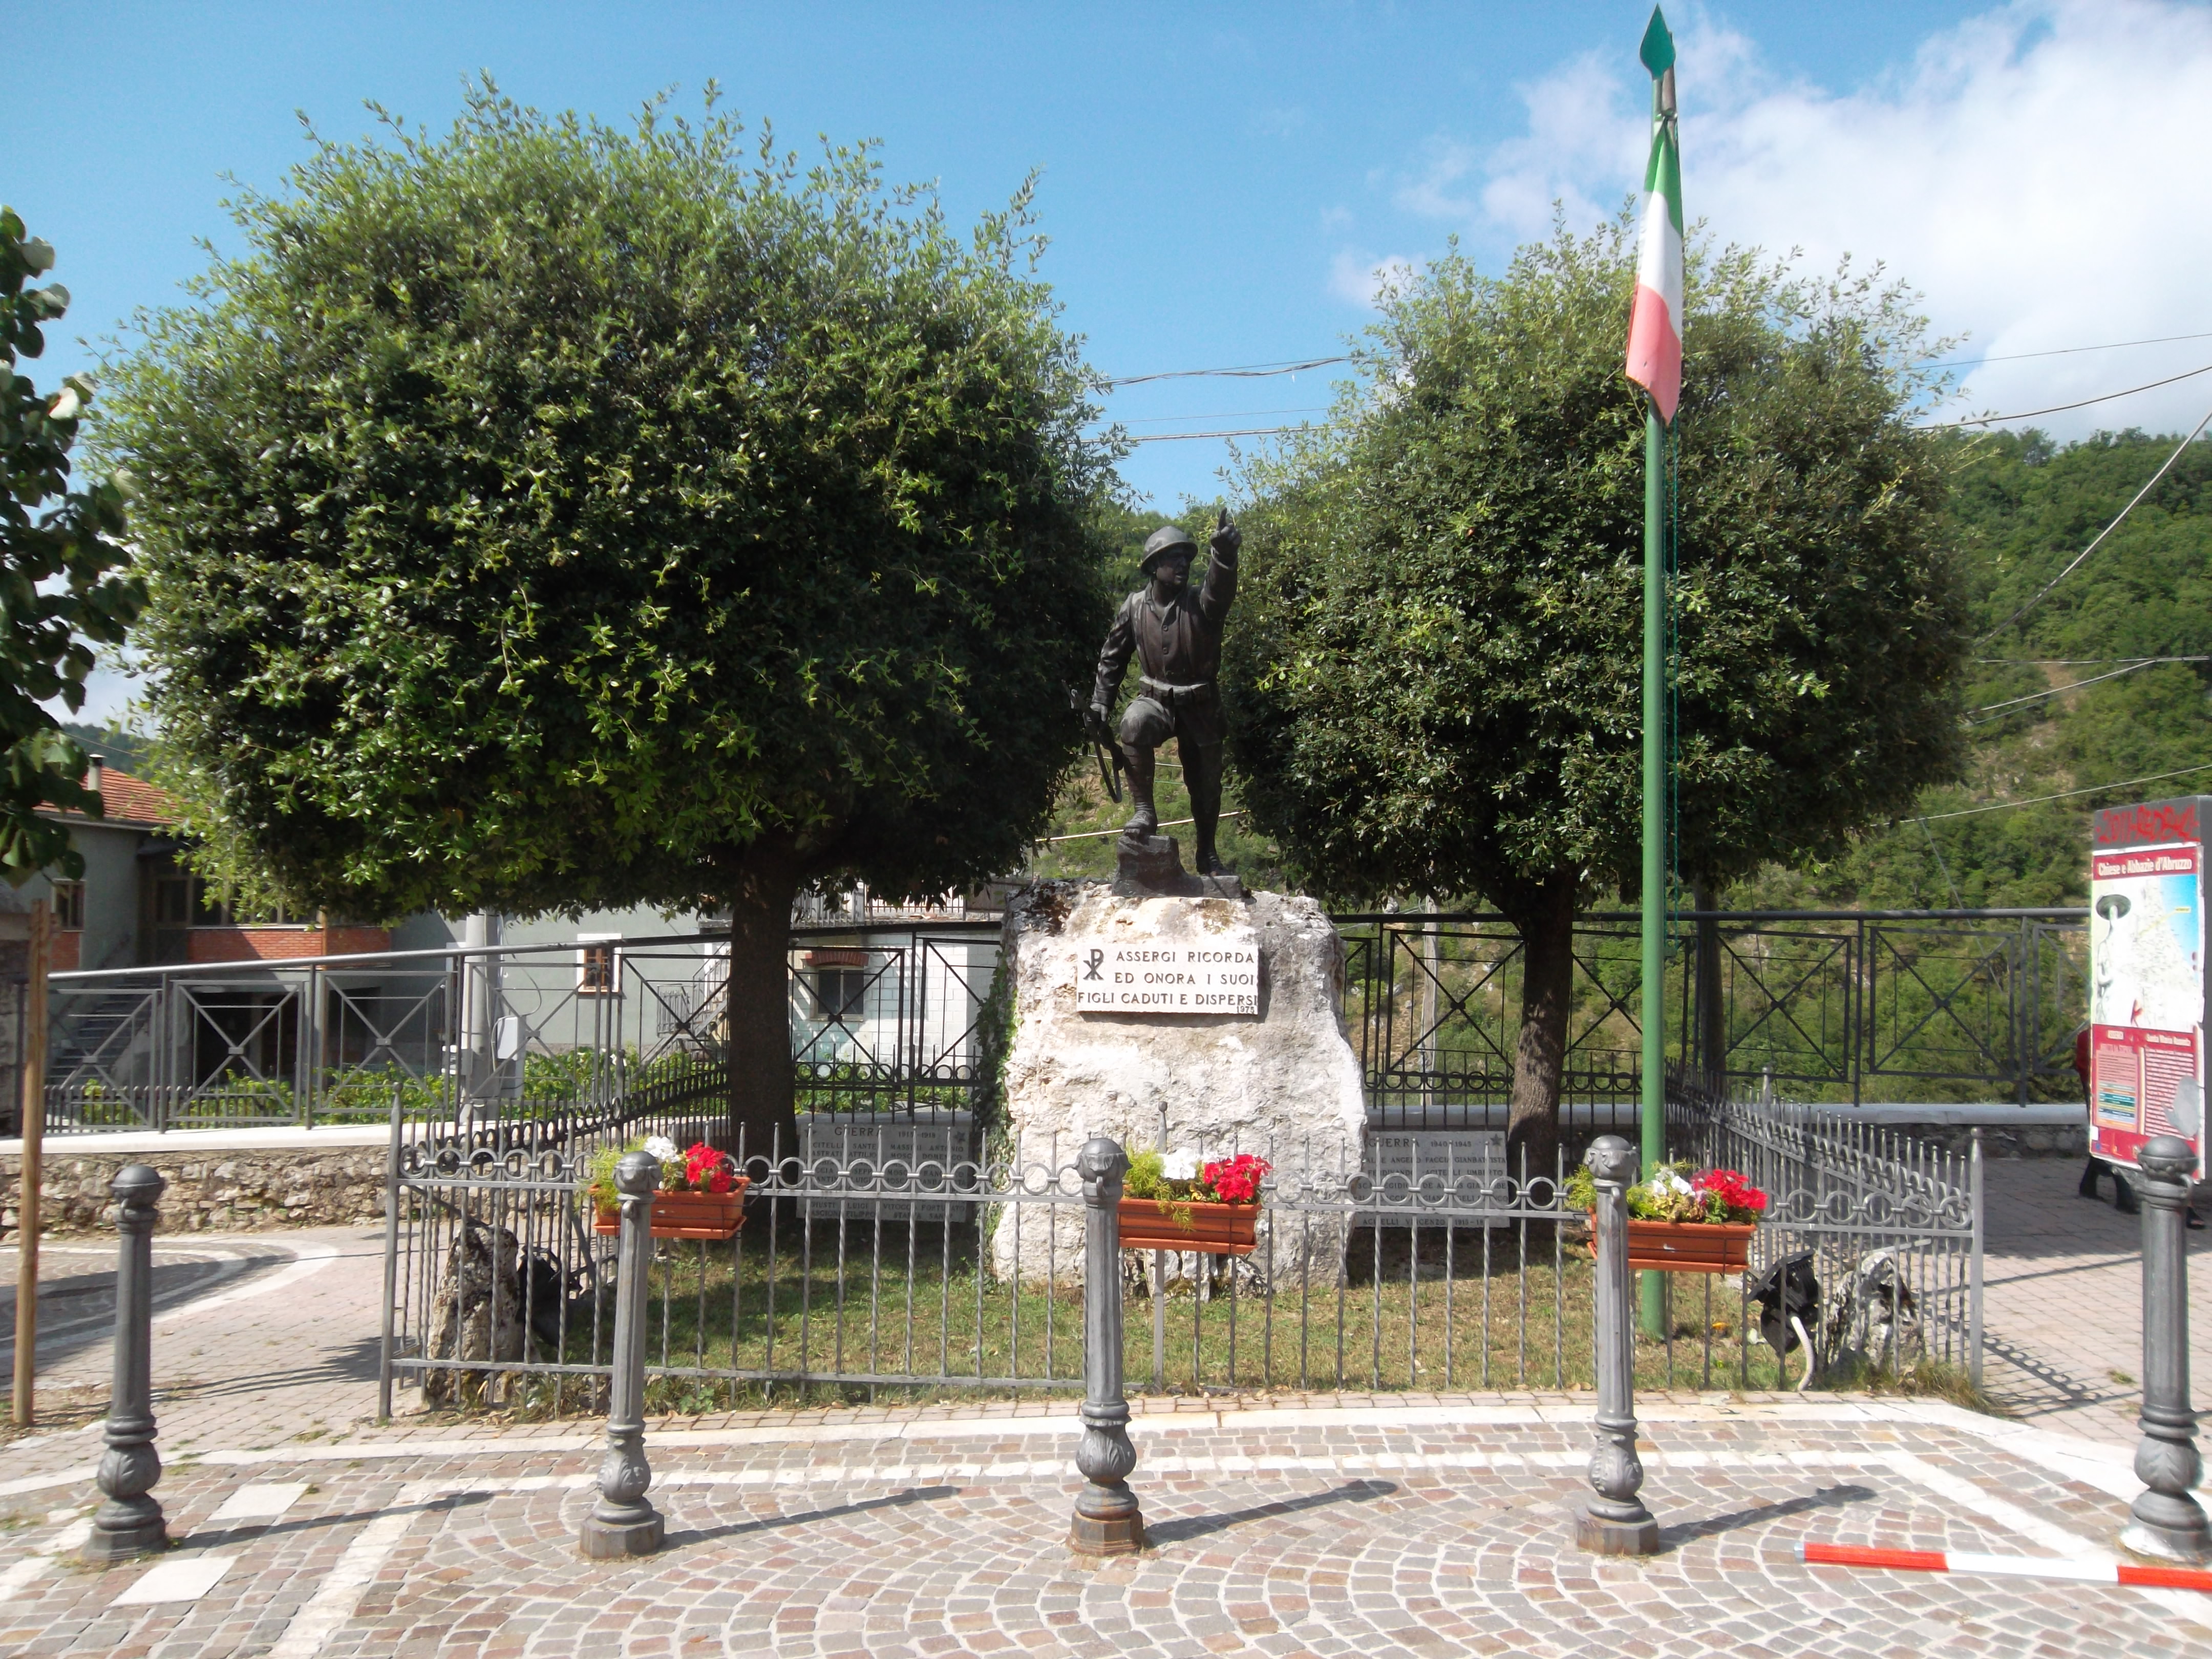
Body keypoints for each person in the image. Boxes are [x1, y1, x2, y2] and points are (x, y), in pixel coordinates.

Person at [1089, 512, 1241, 876]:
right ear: (1154, 566)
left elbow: (1220, 591)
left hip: (1201, 705)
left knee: (1205, 785)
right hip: (1156, 701)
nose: (1183, 565)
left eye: (1187, 559)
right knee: (1135, 722)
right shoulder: (1134, 607)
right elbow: (1112, 658)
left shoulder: (1200, 604)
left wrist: (1223, 556)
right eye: (1174, 559)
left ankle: (1207, 852)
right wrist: (1099, 704)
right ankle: (1145, 812)